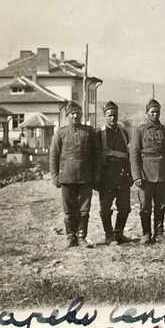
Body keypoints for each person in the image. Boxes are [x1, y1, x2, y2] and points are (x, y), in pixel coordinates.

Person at [49, 102, 100, 248]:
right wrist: (54, 176)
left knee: (84, 209)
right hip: (67, 177)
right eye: (72, 113)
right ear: (67, 116)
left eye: (78, 113)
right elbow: (54, 156)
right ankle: (70, 237)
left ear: (82, 115)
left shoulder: (89, 132)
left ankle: (82, 236)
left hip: (85, 178)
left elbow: (97, 156)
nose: (76, 116)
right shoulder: (60, 133)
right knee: (69, 209)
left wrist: (96, 176)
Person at [129, 98, 165, 245]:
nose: (155, 115)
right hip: (145, 174)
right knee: (145, 205)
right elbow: (134, 154)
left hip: (162, 173)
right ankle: (146, 233)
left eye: (157, 112)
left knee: (161, 204)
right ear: (146, 113)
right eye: (152, 112)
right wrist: (136, 175)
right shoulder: (140, 131)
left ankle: (159, 233)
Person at [95, 101, 133, 245]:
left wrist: (129, 174)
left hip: (122, 175)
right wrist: (97, 177)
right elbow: (95, 156)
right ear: (105, 116)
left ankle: (119, 233)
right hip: (107, 176)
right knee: (105, 208)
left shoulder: (124, 132)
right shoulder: (99, 133)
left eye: (115, 115)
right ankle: (109, 235)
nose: (113, 118)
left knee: (125, 208)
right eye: (110, 115)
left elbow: (128, 154)